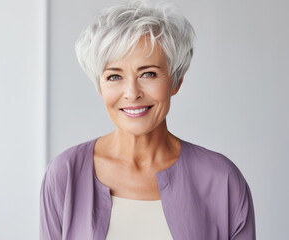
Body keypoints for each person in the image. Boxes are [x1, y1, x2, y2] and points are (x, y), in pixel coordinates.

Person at [40, 1, 256, 239]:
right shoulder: (65, 174)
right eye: (114, 76)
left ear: (176, 81)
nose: (132, 93)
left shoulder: (221, 179)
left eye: (148, 73)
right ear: (100, 86)